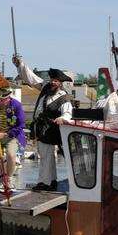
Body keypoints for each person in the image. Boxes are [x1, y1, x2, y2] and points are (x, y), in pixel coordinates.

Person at [12, 56, 73, 191]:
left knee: (45, 155)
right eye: (52, 80)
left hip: (51, 129)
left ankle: (43, 183)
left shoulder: (64, 97)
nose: (52, 82)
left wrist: (63, 118)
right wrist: (20, 65)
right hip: (40, 128)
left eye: (55, 80)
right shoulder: (46, 88)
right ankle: (51, 181)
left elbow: (68, 112)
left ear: (60, 83)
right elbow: (30, 77)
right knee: (47, 156)